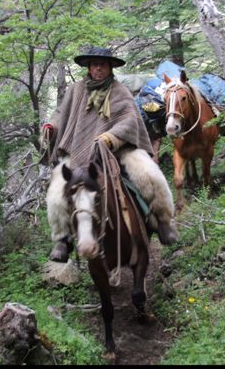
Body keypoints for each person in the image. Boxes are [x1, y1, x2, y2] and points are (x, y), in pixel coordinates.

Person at [41, 47, 178, 262]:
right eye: (94, 64)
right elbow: (61, 114)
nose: (98, 68)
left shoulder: (119, 90)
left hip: (117, 149)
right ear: (88, 67)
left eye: (103, 64)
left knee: (150, 174)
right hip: (78, 152)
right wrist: (51, 125)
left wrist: (110, 137)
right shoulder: (76, 90)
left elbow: (130, 119)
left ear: (110, 67)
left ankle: (162, 221)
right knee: (56, 192)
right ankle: (62, 238)